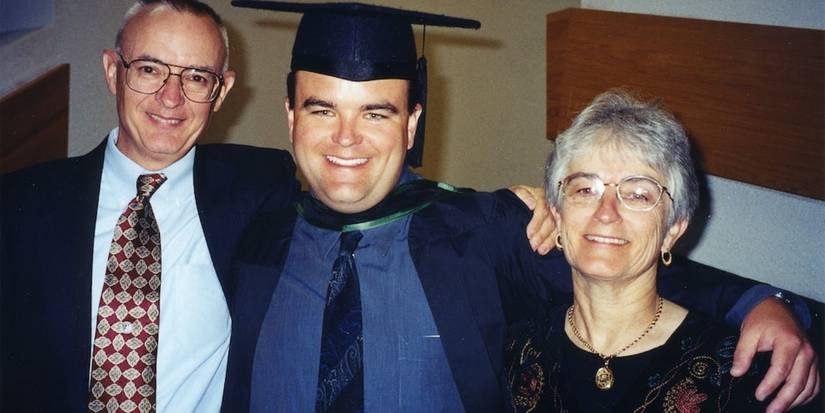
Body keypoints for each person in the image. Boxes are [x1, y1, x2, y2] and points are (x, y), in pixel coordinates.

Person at [223, 2, 817, 413]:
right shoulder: (249, 229)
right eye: (322, 109)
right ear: (291, 116)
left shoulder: (484, 230)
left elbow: (622, 262)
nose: (346, 138)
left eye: (376, 112)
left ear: (411, 125)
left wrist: (757, 303)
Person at [0, 1, 299, 412]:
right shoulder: (21, 205)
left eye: (197, 77)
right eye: (149, 69)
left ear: (221, 91)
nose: (171, 97)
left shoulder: (261, 188)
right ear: (113, 71)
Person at [503, 90, 821, 412]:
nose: (606, 212)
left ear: (672, 231)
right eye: (586, 189)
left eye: (638, 195)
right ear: (557, 215)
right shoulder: (518, 351)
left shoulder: (738, 375)